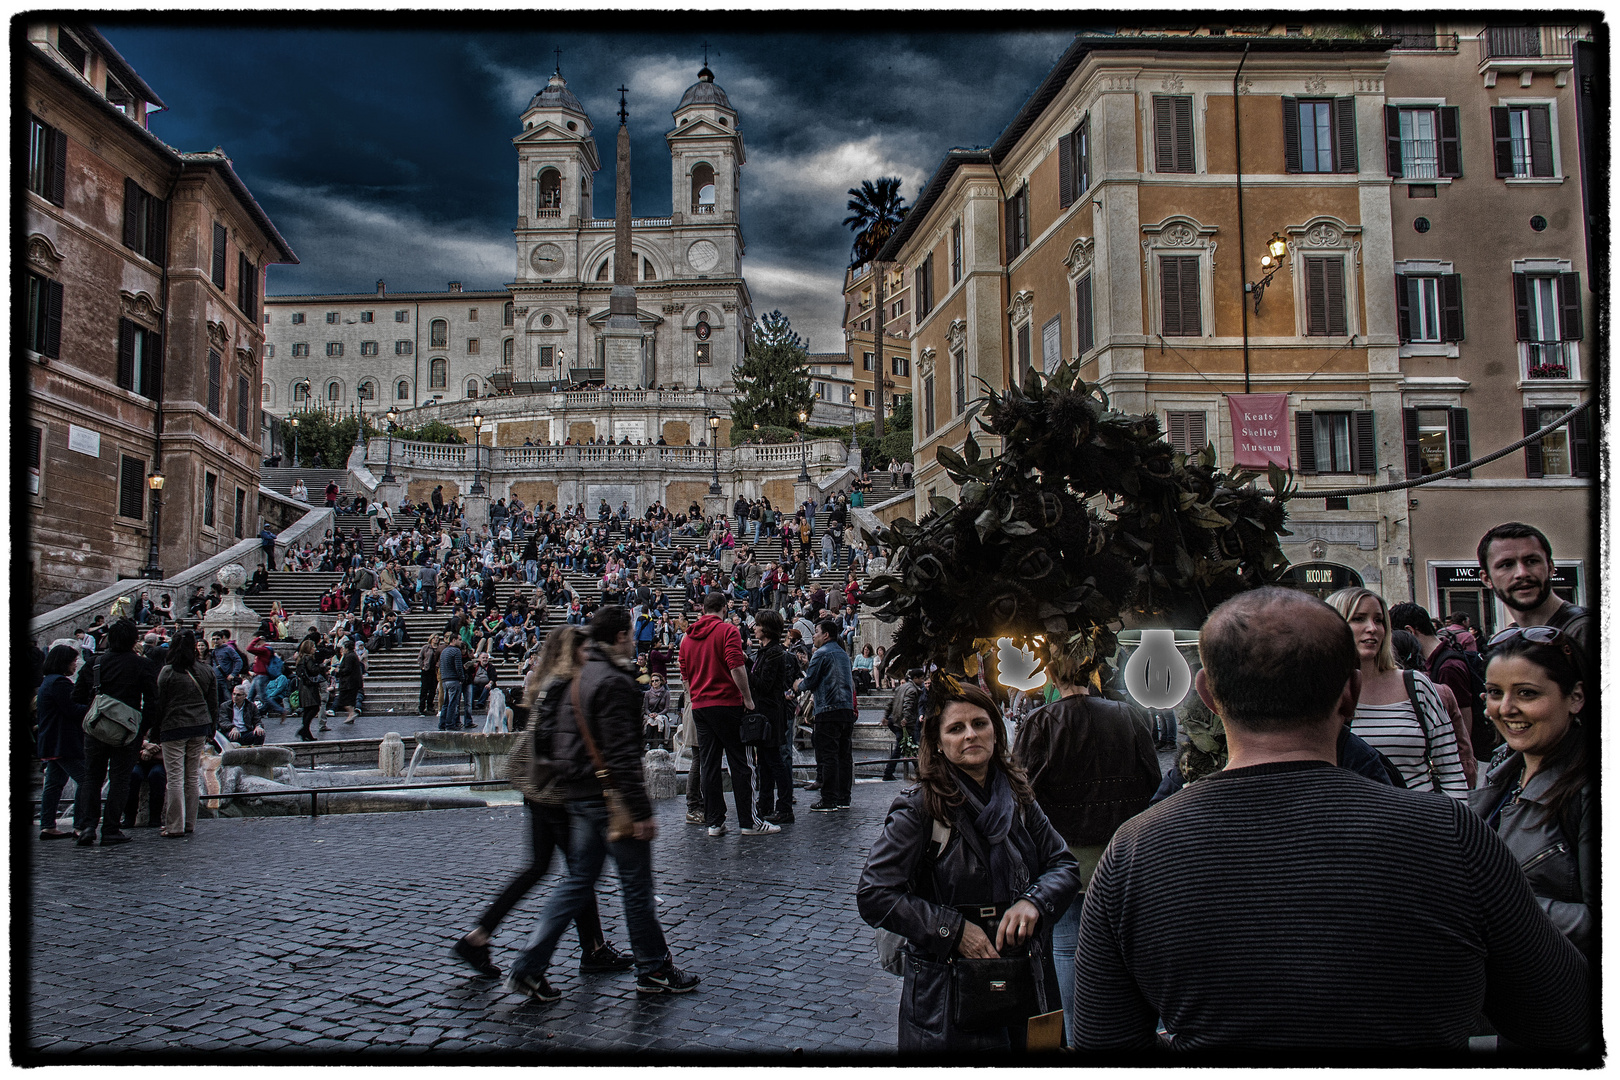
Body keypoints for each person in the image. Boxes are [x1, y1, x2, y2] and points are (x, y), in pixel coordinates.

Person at [1070, 587, 1591, 1053]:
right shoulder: (1449, 836)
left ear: (1207, 694)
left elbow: (1101, 1043)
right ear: (1350, 693)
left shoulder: (1136, 851)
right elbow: (1562, 1018)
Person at [856, 678, 1081, 1052]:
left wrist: (1034, 901)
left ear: (996, 729)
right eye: (956, 729)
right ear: (939, 742)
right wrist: (954, 931)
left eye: (980, 724)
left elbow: (1063, 865)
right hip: (948, 992)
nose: (970, 736)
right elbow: (875, 893)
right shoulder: (920, 807)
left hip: (1022, 976)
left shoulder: (1018, 794)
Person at [505, 606, 700, 1001]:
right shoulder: (614, 680)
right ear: (620, 637)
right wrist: (641, 811)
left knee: (577, 882)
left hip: (578, 794)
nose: (634, 642)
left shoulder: (578, 675)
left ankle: (528, 964)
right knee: (636, 885)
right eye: (630, 634)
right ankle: (654, 967)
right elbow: (623, 754)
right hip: (609, 798)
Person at [454, 627, 635, 981]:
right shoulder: (565, 684)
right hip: (555, 791)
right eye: (584, 648)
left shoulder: (546, 679)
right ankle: (577, 953)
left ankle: (479, 936)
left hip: (536, 787)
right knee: (578, 875)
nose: (589, 654)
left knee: (545, 868)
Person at [1009, 649, 1162, 1043]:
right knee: (1135, 942)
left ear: (1051, 676)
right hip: (1125, 851)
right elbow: (1153, 778)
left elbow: (1022, 791)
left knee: (1068, 948)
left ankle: (1079, 1040)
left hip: (1069, 857)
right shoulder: (1126, 714)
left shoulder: (1041, 721)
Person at [1471, 627, 1593, 958]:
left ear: (1576, 697)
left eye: (1526, 694)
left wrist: (1501, 905)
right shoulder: (1505, 767)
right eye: (1495, 692)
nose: (1506, 708)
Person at [1327, 587, 1468, 798]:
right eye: (1358, 619)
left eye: (1379, 620)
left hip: (1420, 821)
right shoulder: (1321, 695)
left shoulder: (1416, 685)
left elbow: (1450, 769)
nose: (1372, 628)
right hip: (1354, 824)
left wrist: (1451, 824)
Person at [678, 591, 776, 837]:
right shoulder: (728, 631)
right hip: (727, 704)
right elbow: (736, 666)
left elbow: (685, 676)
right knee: (742, 763)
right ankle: (749, 822)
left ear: (703, 609)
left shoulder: (686, 639)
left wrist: (696, 698)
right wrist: (747, 698)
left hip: (700, 706)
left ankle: (714, 822)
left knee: (709, 765)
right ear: (723, 608)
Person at [70, 619, 158, 847]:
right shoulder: (143, 665)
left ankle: (88, 826)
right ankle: (110, 828)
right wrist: (141, 728)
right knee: (120, 779)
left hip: (97, 729)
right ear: (133, 640)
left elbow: (77, 697)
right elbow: (152, 702)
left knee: (92, 778)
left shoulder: (94, 664)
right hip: (127, 731)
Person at [1476, 522, 1590, 653]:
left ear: (1551, 567)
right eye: (1506, 565)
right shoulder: (1511, 641)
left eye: (1532, 561)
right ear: (1486, 579)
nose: (1522, 573)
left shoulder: (1585, 632)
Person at [153, 629, 218, 839]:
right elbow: (213, 702)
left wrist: (155, 730)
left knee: (174, 778)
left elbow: (159, 703)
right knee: (191, 777)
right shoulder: (206, 670)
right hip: (199, 726)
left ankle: (175, 825)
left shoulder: (168, 672)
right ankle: (190, 822)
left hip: (173, 727)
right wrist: (212, 727)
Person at [796, 618, 856, 812]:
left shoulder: (821, 653)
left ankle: (828, 799)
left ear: (826, 635)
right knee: (844, 755)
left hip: (827, 709)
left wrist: (797, 685)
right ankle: (843, 797)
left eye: (816, 632)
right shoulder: (843, 655)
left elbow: (810, 682)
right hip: (846, 710)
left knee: (828, 755)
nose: (813, 635)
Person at [746, 609, 797, 825]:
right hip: (764, 713)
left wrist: (745, 670)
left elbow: (764, 685)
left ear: (766, 628)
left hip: (770, 714)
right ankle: (765, 803)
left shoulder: (775, 653)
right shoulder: (765, 651)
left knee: (774, 761)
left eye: (757, 625)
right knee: (765, 763)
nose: (754, 628)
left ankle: (784, 806)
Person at [36, 644, 89, 840]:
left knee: (54, 782)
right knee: (85, 779)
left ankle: (48, 825)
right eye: (74, 661)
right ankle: (80, 825)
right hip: (63, 741)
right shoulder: (60, 683)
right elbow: (72, 709)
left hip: (51, 740)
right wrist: (92, 705)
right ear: (64, 662)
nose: (75, 665)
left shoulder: (48, 682)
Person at [880, 668, 925, 783]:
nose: (923, 681)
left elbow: (891, 702)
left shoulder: (901, 687)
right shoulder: (912, 690)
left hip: (895, 721)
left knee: (909, 747)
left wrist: (886, 716)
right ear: (915, 678)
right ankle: (888, 773)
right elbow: (908, 706)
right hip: (904, 724)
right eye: (921, 678)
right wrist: (905, 719)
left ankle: (920, 771)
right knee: (903, 747)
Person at [123, 738, 167, 829]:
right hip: (137, 759)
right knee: (133, 775)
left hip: (159, 759)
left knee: (157, 775)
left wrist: (151, 750)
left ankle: (155, 818)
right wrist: (145, 745)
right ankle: (129, 817)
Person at [293, 639, 324, 741]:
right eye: (313, 647)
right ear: (309, 648)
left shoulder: (301, 658)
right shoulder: (308, 658)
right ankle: (304, 730)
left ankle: (306, 732)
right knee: (314, 708)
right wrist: (321, 665)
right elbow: (313, 670)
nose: (315, 648)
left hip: (304, 686)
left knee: (308, 710)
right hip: (309, 687)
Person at [438, 636, 467, 731]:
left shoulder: (444, 651)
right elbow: (458, 666)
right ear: (453, 640)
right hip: (453, 679)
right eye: (459, 639)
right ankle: (449, 723)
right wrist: (462, 678)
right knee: (452, 703)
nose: (461, 641)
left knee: (446, 703)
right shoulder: (456, 651)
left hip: (445, 679)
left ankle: (442, 723)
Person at [334, 637, 364, 726]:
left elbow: (347, 669)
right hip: (351, 682)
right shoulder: (352, 655)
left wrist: (338, 671)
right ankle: (351, 714)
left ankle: (351, 713)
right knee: (349, 699)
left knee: (344, 699)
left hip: (348, 683)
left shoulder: (349, 656)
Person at [418, 634, 442, 716]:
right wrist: (422, 666)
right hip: (426, 670)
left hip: (435, 670)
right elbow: (420, 657)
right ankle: (421, 707)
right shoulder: (426, 648)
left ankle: (430, 705)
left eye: (437, 638)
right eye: (434, 638)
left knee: (433, 689)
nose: (436, 640)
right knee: (424, 689)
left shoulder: (439, 648)